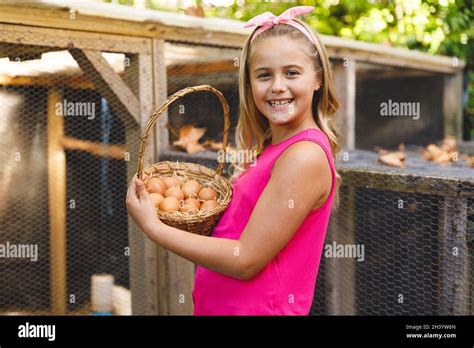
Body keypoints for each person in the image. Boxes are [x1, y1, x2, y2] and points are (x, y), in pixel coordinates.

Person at [126, 5, 341, 315]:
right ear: (250, 83)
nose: (277, 85)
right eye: (264, 75)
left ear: (318, 78)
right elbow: (237, 236)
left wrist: (154, 228)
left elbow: (246, 260)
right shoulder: (274, 150)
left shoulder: (304, 156)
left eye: (292, 72)